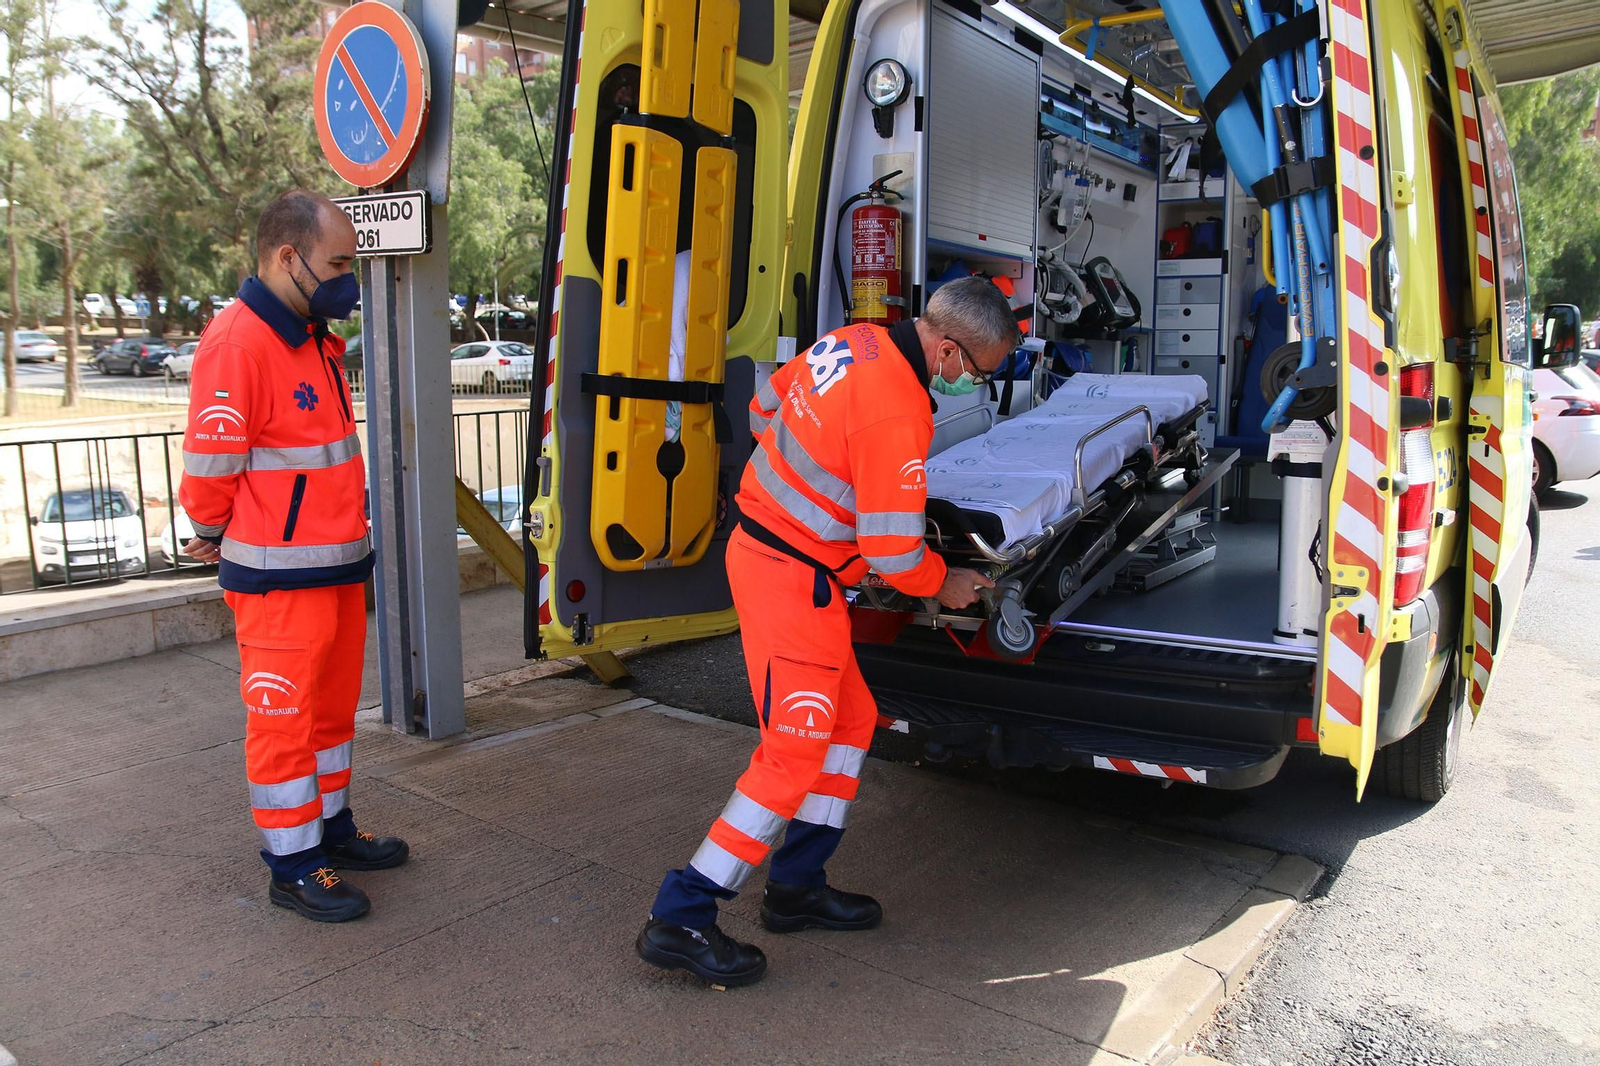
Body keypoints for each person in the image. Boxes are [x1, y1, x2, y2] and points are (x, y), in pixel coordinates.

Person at [636, 276, 1020, 986]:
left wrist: (818, 481)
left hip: (776, 556)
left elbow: (762, 410)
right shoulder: (900, 408)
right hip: (790, 576)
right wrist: (949, 581)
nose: (978, 386)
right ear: (947, 350)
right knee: (794, 750)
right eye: (980, 372)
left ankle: (797, 888)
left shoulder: (854, 342)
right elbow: (895, 554)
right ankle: (683, 914)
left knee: (851, 721)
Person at [179, 189, 408, 924]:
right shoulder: (238, 342)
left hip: (335, 567)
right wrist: (217, 531)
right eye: (338, 262)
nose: (348, 277)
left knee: (330, 717)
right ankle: (293, 862)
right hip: (280, 578)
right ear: (287, 258)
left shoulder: (311, 334)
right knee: (283, 721)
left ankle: (330, 832)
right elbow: (209, 477)